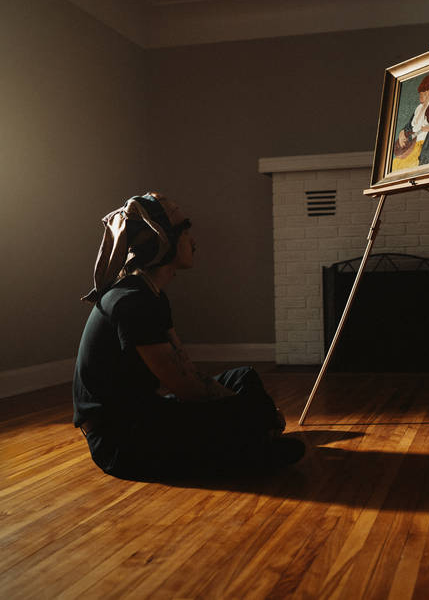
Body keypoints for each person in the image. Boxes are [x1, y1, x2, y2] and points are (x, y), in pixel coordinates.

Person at [73, 192, 304, 480]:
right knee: (245, 409)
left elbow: (186, 369)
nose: (194, 241)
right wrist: (248, 410)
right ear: (164, 240)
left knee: (243, 377)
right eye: (185, 229)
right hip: (122, 442)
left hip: (147, 412)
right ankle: (254, 445)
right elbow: (189, 390)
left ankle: (255, 436)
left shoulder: (151, 294)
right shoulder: (132, 302)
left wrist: (244, 408)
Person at [392, 71, 429, 171]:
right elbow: (409, 127)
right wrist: (402, 133)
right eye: (420, 92)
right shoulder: (418, 109)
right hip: (412, 146)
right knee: (395, 164)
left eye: (425, 92)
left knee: (406, 166)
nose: (421, 95)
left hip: (426, 148)